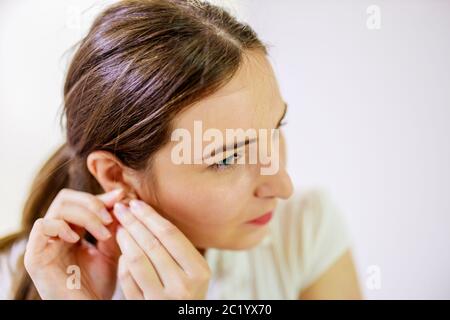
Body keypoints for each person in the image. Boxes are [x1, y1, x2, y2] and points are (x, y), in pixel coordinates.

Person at [0, 0, 361, 300]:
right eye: (227, 158)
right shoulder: (22, 277)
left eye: (275, 129)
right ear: (114, 175)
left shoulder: (305, 228)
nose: (282, 186)